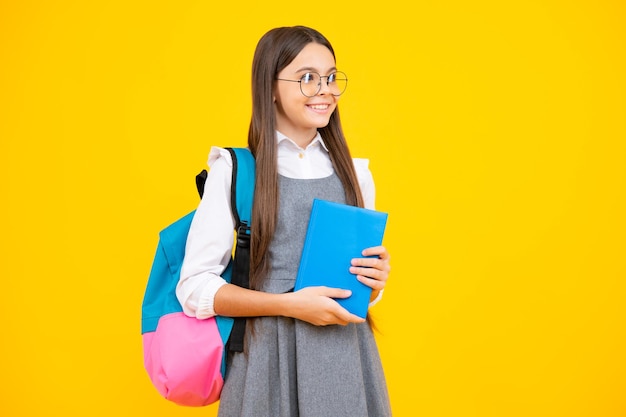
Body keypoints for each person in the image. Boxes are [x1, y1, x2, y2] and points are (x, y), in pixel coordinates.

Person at [176, 25, 392, 416]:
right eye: (308, 78)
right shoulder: (236, 170)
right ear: (271, 86)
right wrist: (289, 304)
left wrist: (374, 281)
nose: (325, 90)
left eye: (330, 77)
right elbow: (194, 289)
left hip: (346, 362)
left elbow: (360, 287)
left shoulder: (356, 174)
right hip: (265, 363)